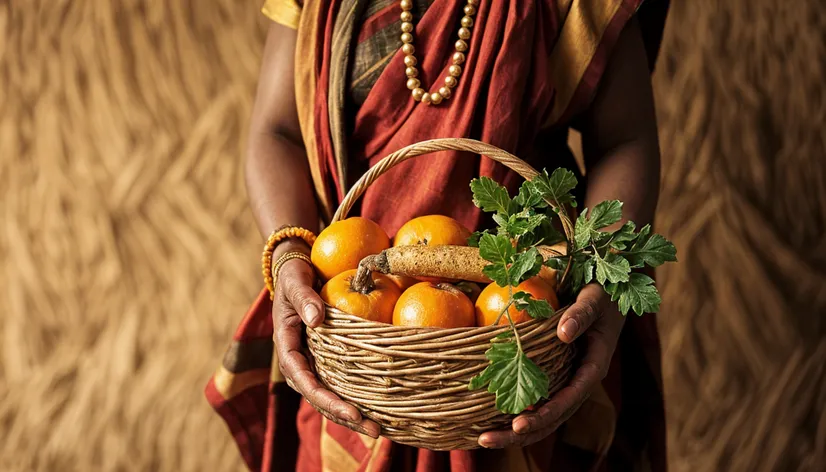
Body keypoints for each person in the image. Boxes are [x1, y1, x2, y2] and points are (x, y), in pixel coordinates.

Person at [205, 0, 670, 471]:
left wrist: (605, 280)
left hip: (528, 339)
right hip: (352, 337)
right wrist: (288, 255)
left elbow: (623, 140)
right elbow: (277, 130)